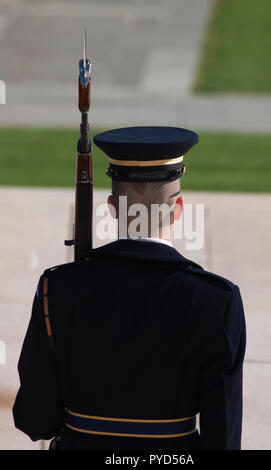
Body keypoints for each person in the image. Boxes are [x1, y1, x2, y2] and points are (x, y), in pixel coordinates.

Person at [13, 126, 246, 450]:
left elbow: (35, 419)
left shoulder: (59, 288)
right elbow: (223, 437)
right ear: (178, 209)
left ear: (112, 206)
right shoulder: (216, 300)